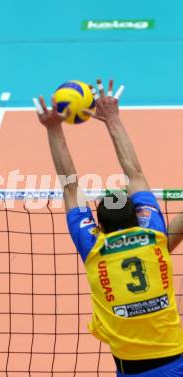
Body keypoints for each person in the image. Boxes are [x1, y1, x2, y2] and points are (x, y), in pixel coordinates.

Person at [36, 79, 183, 376]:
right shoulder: (153, 234)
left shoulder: (95, 247)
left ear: (98, 226)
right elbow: (135, 172)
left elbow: (70, 187)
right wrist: (113, 119)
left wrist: (54, 129)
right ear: (138, 215)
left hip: (134, 369)